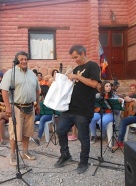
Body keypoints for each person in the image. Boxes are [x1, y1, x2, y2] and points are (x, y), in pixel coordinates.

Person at [54, 45, 100, 174]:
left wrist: (77, 77)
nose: (75, 60)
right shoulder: (76, 68)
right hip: (70, 108)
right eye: (73, 58)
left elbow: (94, 84)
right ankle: (65, 155)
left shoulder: (92, 66)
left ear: (83, 53)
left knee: (83, 136)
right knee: (60, 130)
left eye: (76, 57)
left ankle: (83, 161)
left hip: (83, 109)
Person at [0, 51, 40, 166]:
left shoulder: (32, 74)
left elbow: (37, 90)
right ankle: (12, 155)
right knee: (14, 133)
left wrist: (38, 104)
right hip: (17, 107)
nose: (24, 61)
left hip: (30, 107)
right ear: (17, 61)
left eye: (25, 59)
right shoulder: (10, 73)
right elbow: (4, 91)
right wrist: (7, 106)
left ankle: (25, 152)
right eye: (21, 59)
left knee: (27, 132)